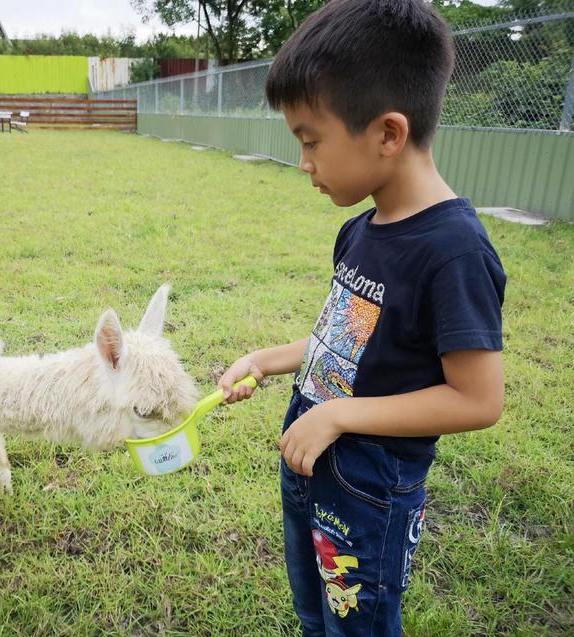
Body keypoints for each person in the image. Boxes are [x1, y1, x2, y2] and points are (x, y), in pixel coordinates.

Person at [217, 1, 506, 635]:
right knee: (314, 615)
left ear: (388, 133)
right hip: (311, 462)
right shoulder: (360, 230)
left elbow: (478, 400)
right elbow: (344, 341)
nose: (304, 162)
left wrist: (339, 415)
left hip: (369, 490)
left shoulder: (454, 252)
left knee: (358, 626)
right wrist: (264, 361)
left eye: (310, 141)